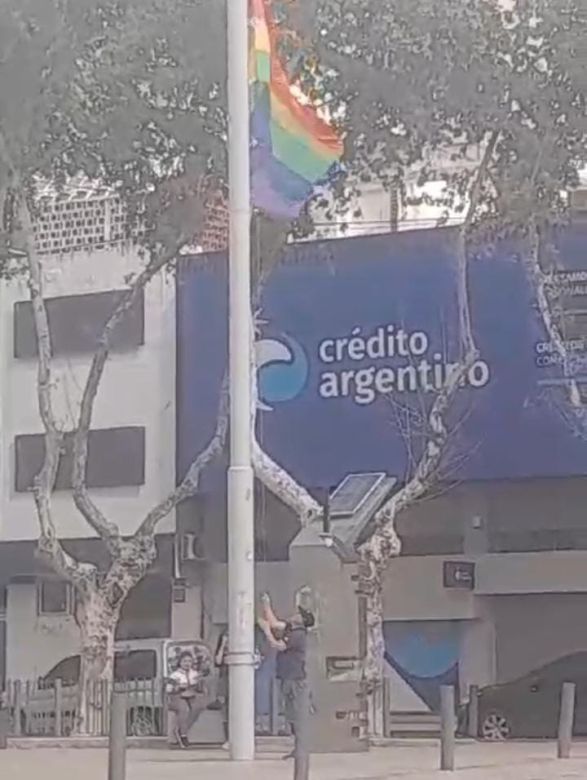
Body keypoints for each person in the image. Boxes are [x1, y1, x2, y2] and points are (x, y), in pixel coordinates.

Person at [258, 593, 315, 760]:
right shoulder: (291, 629)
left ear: (302, 620)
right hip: (287, 676)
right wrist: (266, 604)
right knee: (290, 713)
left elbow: (278, 645)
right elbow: (275, 623)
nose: (294, 614)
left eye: (299, 614)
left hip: (294, 678)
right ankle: (298, 748)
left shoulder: (297, 634)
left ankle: (301, 748)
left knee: (296, 713)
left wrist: (266, 631)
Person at [167, 651, 206, 748]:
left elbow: (200, 689)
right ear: (180, 662)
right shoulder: (175, 675)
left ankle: (182, 729)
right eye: (185, 661)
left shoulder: (195, 674)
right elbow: (168, 689)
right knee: (184, 709)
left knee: (198, 707)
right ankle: (183, 735)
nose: (187, 663)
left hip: (191, 695)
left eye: (189, 661)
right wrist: (179, 687)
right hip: (177, 696)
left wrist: (199, 683)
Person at [214, 629, 229, 749]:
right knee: (225, 710)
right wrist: (223, 645)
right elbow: (218, 661)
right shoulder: (223, 651)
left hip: (239, 680)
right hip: (225, 678)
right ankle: (227, 738)